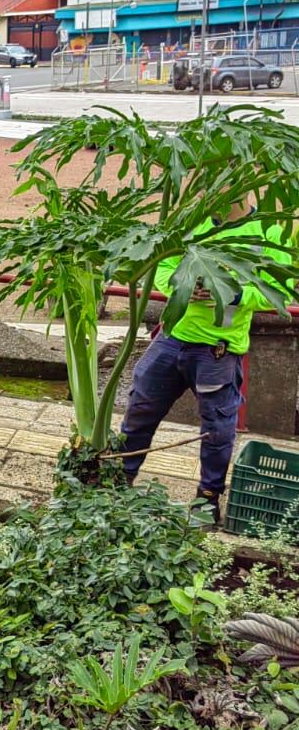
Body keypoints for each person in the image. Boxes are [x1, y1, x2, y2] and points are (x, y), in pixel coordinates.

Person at [121, 213, 294, 526]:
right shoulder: (188, 220)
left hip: (218, 348)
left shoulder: (269, 232)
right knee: (140, 409)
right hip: (173, 337)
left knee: (217, 429)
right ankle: (119, 481)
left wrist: (234, 294)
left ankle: (207, 501)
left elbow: (279, 291)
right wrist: (183, 285)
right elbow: (162, 266)